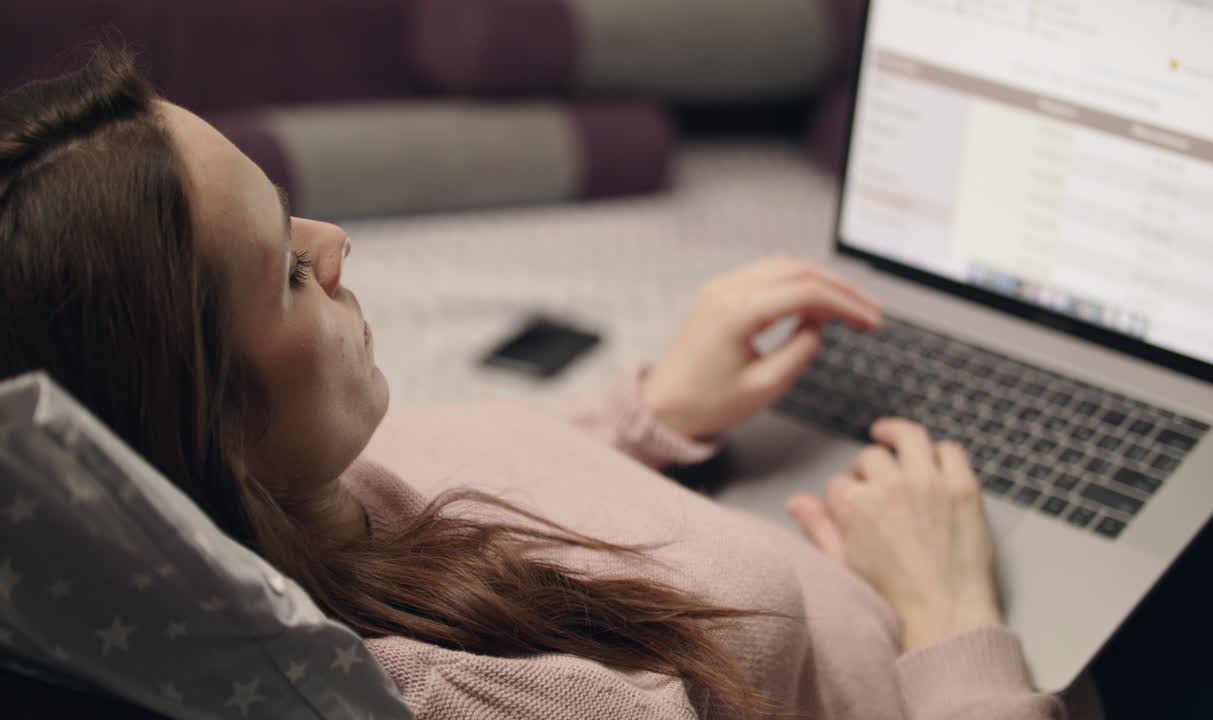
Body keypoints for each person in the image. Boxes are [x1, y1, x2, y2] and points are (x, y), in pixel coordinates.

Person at [0, 50, 1090, 719]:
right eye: (286, 271)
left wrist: (649, 415)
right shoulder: (499, 701)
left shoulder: (293, 496)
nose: (334, 244)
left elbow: (455, 501)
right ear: (199, 429)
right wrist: (951, 621)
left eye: (293, 209)